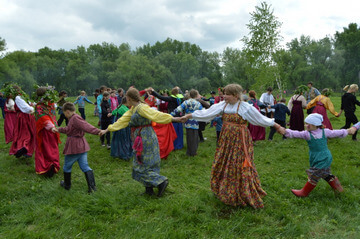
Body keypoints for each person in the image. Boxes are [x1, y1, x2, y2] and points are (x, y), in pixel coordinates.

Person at [180, 84, 283, 208]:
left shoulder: (245, 107)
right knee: (223, 161)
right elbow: (207, 113)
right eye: (224, 93)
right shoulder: (223, 105)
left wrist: (276, 126)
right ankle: (224, 189)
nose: (224, 96)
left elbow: (260, 119)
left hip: (240, 140)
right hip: (226, 139)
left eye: (227, 94)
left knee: (237, 163)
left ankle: (241, 192)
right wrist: (189, 116)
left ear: (235, 95)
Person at [100, 87, 182, 197]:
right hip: (142, 138)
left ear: (128, 98)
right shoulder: (134, 108)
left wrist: (175, 119)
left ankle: (161, 182)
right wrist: (107, 129)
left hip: (145, 139)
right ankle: (149, 190)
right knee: (145, 164)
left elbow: (156, 115)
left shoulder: (141, 108)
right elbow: (122, 121)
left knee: (141, 165)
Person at [283, 113, 349, 197]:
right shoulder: (307, 134)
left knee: (315, 174)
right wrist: (285, 131)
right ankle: (339, 190)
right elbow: (296, 133)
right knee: (325, 173)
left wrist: (346, 131)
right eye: (305, 123)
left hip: (324, 157)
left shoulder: (325, 132)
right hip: (315, 157)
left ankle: (304, 192)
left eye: (308, 124)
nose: (306, 125)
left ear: (315, 124)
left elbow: (336, 132)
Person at [55, 102, 101, 193]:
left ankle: (67, 185)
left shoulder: (75, 118)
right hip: (81, 146)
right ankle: (92, 187)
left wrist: (98, 131)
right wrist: (58, 129)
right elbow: (69, 129)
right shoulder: (73, 117)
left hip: (74, 146)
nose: (64, 115)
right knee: (84, 166)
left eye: (64, 113)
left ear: (67, 112)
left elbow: (86, 126)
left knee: (67, 166)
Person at [33, 86, 61, 177]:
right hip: (48, 130)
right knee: (49, 148)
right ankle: (50, 165)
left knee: (48, 148)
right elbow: (44, 118)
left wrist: (52, 127)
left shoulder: (44, 105)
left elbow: (46, 117)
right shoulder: (43, 105)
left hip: (49, 130)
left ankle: (50, 165)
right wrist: (52, 127)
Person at [171, 89, 203, 156]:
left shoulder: (186, 102)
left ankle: (189, 152)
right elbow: (203, 112)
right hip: (195, 122)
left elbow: (178, 109)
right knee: (195, 137)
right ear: (196, 95)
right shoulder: (198, 103)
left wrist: (170, 115)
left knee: (189, 137)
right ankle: (193, 152)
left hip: (187, 121)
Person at [8, 85, 36, 158]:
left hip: (24, 117)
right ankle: (26, 150)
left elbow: (25, 107)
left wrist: (31, 109)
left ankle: (22, 148)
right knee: (28, 133)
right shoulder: (22, 96)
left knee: (24, 134)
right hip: (26, 116)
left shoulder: (18, 97)